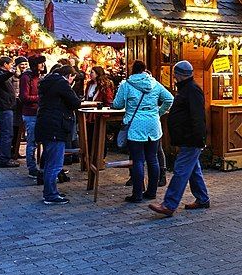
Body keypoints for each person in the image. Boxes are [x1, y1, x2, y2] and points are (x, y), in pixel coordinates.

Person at [149, 61, 209, 216]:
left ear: (179, 75)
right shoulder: (186, 89)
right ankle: (202, 198)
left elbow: (198, 117)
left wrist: (199, 138)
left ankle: (169, 204)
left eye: (175, 73)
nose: (173, 76)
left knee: (181, 170)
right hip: (188, 137)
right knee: (193, 169)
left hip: (191, 138)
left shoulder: (192, 90)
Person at [112, 60, 174, 203]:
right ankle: (151, 192)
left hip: (135, 125)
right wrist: (158, 112)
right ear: (144, 69)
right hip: (153, 125)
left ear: (132, 70)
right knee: (152, 158)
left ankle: (137, 194)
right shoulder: (154, 84)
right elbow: (169, 99)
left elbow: (117, 104)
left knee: (138, 160)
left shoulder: (126, 85)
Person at [35, 65, 82, 205]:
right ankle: (50, 194)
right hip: (56, 127)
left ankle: (50, 191)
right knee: (55, 163)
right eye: (73, 78)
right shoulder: (61, 83)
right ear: (69, 76)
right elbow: (76, 102)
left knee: (51, 161)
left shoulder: (48, 82)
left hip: (45, 125)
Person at [19, 55, 46, 179]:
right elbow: (24, 97)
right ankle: (32, 168)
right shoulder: (26, 77)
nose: (43, 66)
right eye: (41, 63)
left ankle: (41, 166)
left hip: (39, 112)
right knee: (32, 141)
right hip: (30, 113)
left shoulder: (38, 77)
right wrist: (40, 98)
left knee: (39, 140)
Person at [0, 56, 19, 168]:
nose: (11, 66)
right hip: (4, 107)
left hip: (6, 105)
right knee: (7, 133)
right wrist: (10, 73)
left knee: (4, 133)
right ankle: (4, 159)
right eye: (10, 64)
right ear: (5, 64)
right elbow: (0, 78)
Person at [84, 66, 115, 159]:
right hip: (88, 113)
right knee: (89, 135)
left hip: (98, 114)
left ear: (97, 73)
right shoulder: (89, 84)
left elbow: (108, 100)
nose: (90, 74)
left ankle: (100, 157)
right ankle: (89, 157)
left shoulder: (104, 85)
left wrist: (104, 112)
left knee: (99, 136)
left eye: (92, 72)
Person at [11, 56, 28, 160]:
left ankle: (15, 150)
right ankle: (13, 150)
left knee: (19, 129)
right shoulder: (13, 76)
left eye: (25, 64)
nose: (24, 66)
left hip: (22, 103)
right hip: (15, 104)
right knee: (15, 127)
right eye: (22, 64)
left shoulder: (26, 76)